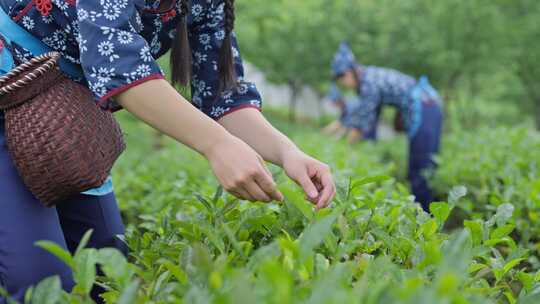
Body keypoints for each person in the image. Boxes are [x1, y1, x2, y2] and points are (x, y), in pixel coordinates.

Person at [0, 0, 335, 302]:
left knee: (106, 270)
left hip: (65, 120)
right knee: (38, 282)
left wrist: (288, 152)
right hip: (9, 90)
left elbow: (222, 96)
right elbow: (118, 63)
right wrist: (216, 145)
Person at [324, 42, 443, 211]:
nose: (343, 84)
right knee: (426, 165)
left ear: (349, 72)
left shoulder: (367, 83)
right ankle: (432, 209)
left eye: (342, 79)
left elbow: (360, 124)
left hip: (423, 107)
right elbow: (367, 117)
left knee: (420, 167)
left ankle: (427, 217)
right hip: (429, 104)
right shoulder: (369, 76)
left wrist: (346, 152)